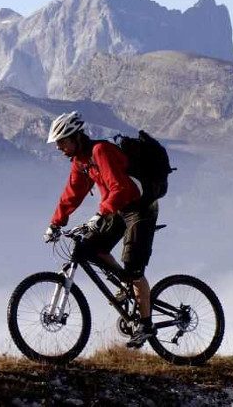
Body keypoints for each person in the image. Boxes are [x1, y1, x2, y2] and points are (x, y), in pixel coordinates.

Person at [43, 111, 159, 348]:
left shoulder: (100, 152)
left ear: (75, 138)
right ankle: (126, 284)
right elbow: (72, 194)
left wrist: (100, 214)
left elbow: (120, 188)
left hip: (140, 207)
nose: (58, 148)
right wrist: (56, 223)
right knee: (90, 248)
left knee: (134, 266)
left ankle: (146, 325)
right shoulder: (81, 162)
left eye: (62, 142)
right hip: (115, 209)